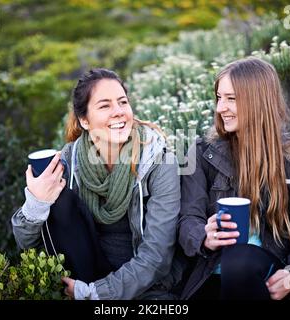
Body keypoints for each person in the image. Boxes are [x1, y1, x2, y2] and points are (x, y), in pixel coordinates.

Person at [12, 68, 186, 300]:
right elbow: (29, 247)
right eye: (104, 106)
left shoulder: (159, 161)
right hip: (81, 280)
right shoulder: (68, 161)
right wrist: (37, 202)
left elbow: (157, 256)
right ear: (84, 120)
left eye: (122, 102)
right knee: (60, 200)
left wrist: (95, 294)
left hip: (146, 288)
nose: (118, 112)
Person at [178, 57, 290, 300]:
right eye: (219, 97)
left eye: (231, 98)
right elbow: (187, 218)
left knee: (240, 261)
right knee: (232, 263)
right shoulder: (202, 152)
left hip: (265, 277)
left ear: (258, 101)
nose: (220, 108)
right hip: (210, 276)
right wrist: (204, 236)